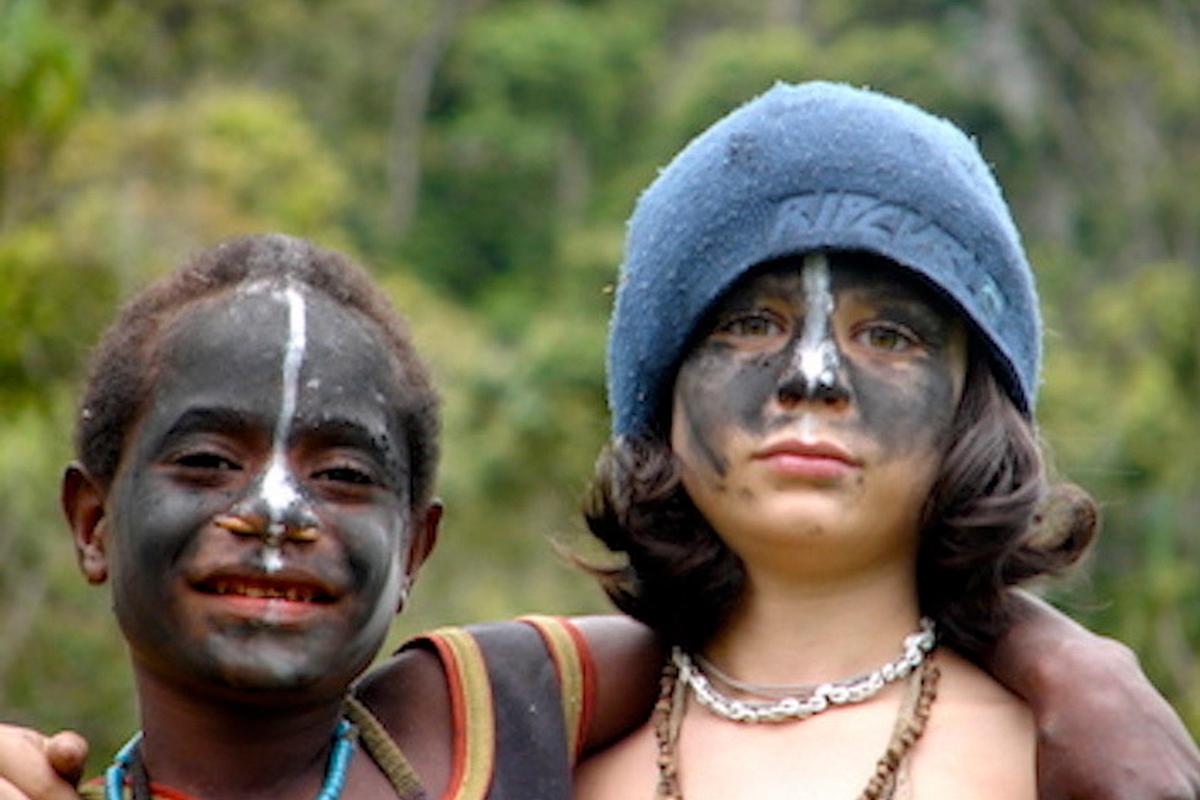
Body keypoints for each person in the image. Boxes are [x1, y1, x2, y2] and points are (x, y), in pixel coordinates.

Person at [0, 230, 1197, 798]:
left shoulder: (484, 715)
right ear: (91, 521)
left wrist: (1079, 671)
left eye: (346, 475)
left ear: (418, 546)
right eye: (210, 460)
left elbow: (794, 631)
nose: (274, 515)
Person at [573, 81, 1200, 798]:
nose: (813, 377)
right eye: (751, 325)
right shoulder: (538, 764)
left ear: (975, 405)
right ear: (659, 387)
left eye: (887, 336)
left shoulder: (1075, 770)